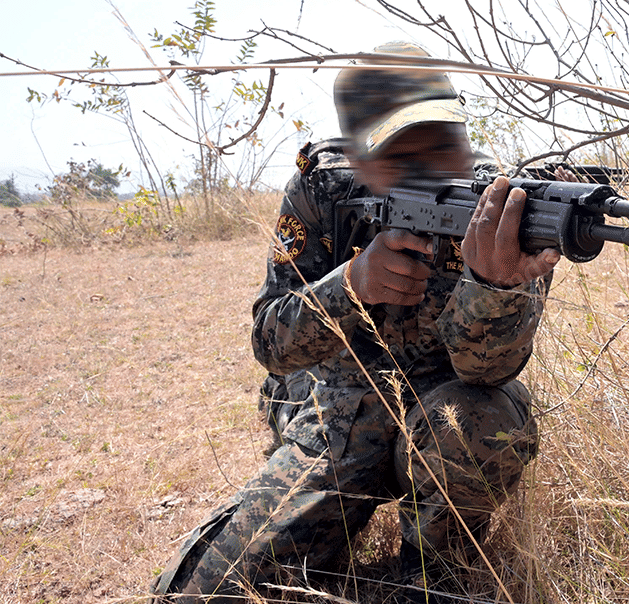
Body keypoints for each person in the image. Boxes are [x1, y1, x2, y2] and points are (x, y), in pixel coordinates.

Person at [152, 41, 557, 601]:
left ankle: (436, 577)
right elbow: (270, 341)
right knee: (208, 592)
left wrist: (494, 284)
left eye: (446, 143)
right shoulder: (324, 192)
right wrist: (350, 286)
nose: (433, 168)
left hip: (446, 412)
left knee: (481, 420)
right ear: (359, 157)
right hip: (336, 411)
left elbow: (488, 372)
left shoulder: (509, 212)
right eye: (402, 155)